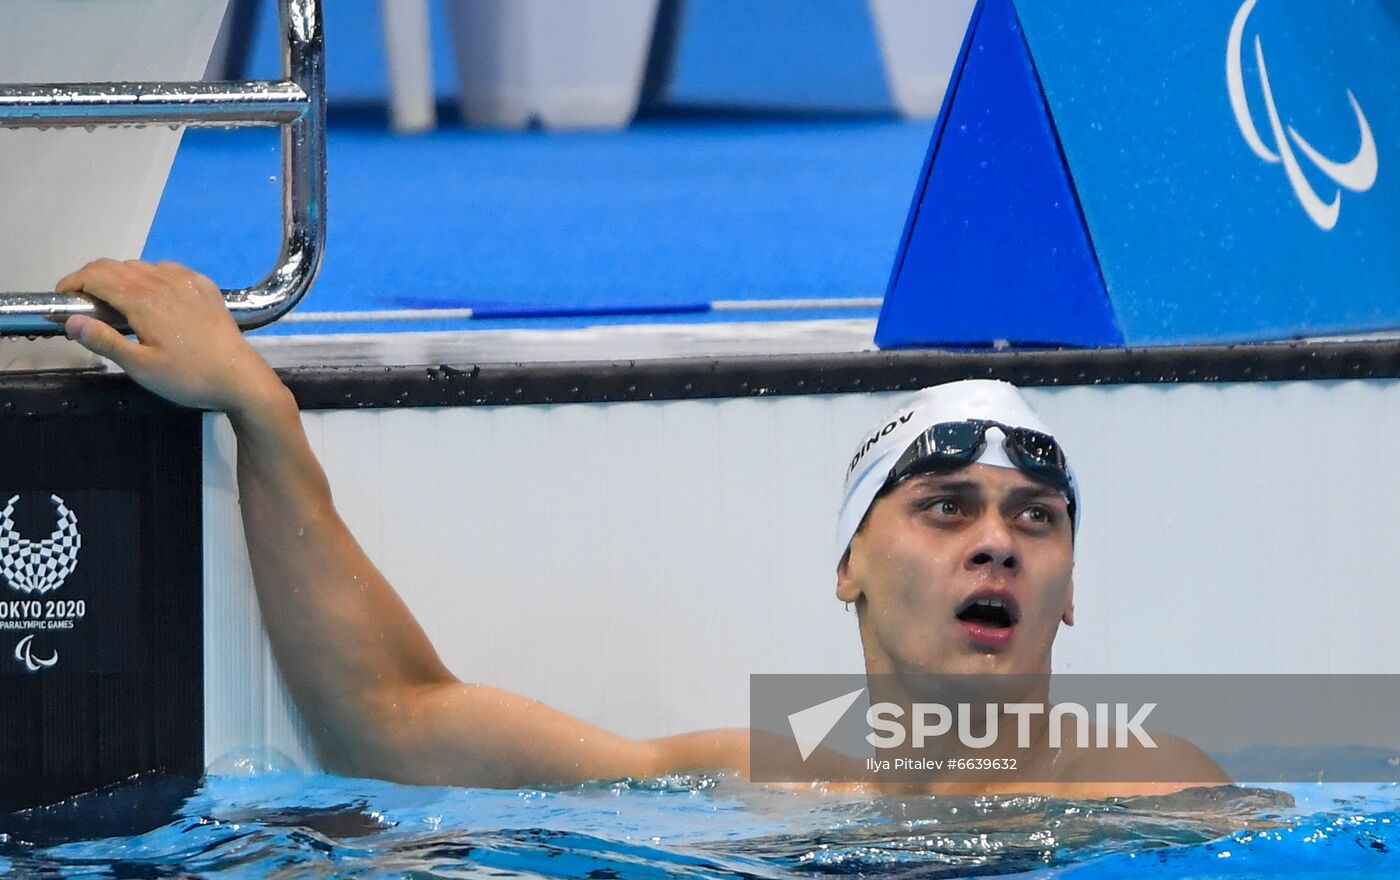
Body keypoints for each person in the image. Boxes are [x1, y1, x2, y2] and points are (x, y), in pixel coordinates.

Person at [55, 258, 1229, 796]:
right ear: (846, 568)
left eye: (1037, 519)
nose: (997, 543)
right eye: (943, 507)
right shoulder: (747, 785)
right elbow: (392, 726)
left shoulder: (1161, 801)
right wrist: (262, 413)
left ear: (1067, 590)